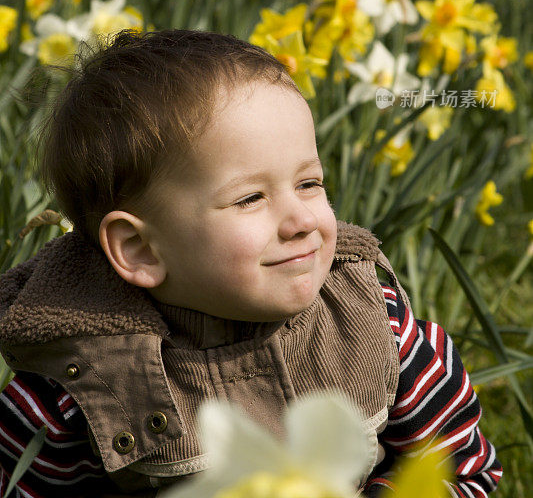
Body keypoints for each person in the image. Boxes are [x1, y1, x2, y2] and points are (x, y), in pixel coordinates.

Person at [0, 29, 502, 497]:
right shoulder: (77, 386)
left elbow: (462, 471)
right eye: (250, 198)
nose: (302, 220)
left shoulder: (374, 325)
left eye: (309, 183)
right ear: (140, 250)